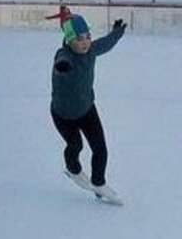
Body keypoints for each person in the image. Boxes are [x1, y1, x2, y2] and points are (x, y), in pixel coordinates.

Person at [51, 14, 126, 205]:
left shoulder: (91, 50)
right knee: (76, 145)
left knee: (100, 148)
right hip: (63, 115)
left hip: (86, 109)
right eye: (79, 38)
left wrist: (117, 32)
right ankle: (72, 169)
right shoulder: (64, 55)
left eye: (87, 37)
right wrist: (62, 67)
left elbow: (106, 43)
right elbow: (61, 61)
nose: (85, 42)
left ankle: (99, 184)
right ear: (69, 40)